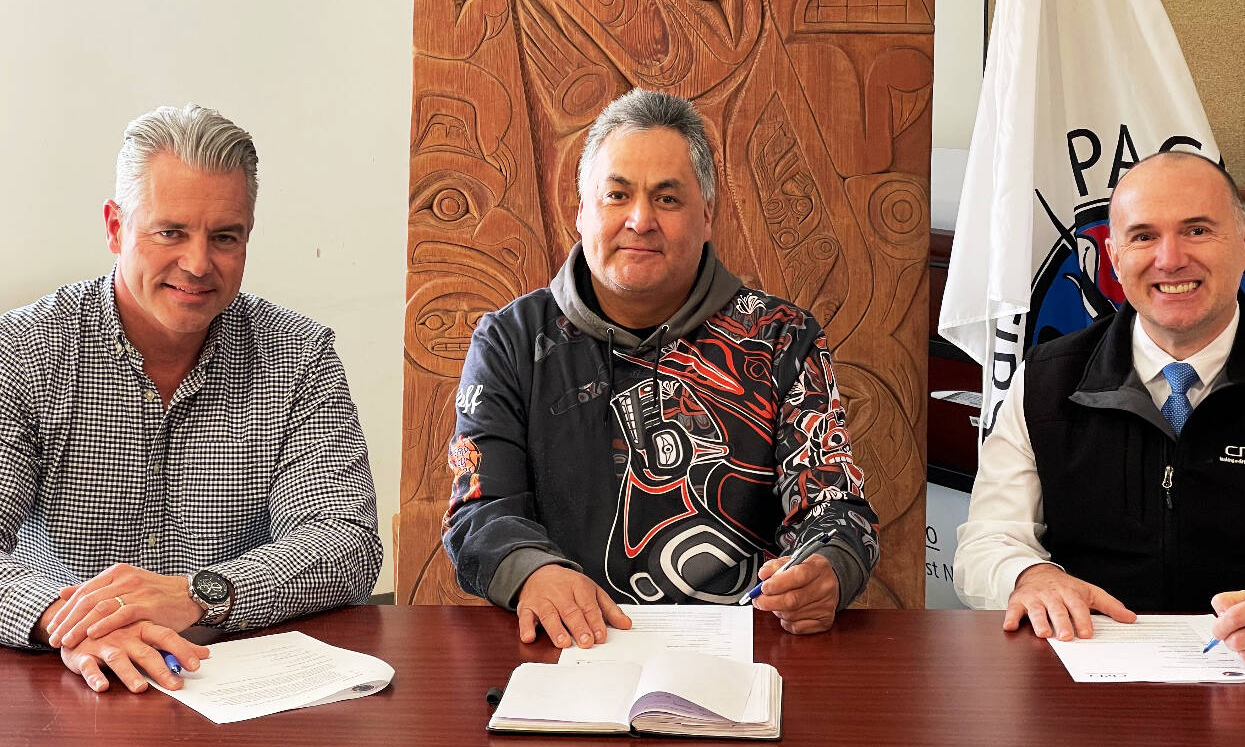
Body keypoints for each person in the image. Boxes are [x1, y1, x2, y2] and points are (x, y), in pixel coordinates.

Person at [443, 89, 879, 649]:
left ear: (707, 218)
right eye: (616, 195)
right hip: (567, 649)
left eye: (668, 199)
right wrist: (534, 572)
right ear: (581, 212)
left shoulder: (781, 337)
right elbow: (477, 510)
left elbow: (836, 504)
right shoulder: (512, 340)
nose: (640, 220)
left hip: (744, 651)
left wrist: (827, 568)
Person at [0, 104, 382, 692]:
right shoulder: (25, 350)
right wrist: (67, 618)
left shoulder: (299, 354)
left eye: (224, 237)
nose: (199, 263)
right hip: (75, 680)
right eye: (170, 232)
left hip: (251, 682)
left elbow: (346, 544)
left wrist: (200, 595)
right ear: (114, 228)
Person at [953, 151, 1245, 672]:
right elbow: (985, 544)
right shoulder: (1045, 377)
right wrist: (1027, 576)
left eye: (1197, 230)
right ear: (1113, 257)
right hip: (1080, 679)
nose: (1170, 259)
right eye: (1143, 236)